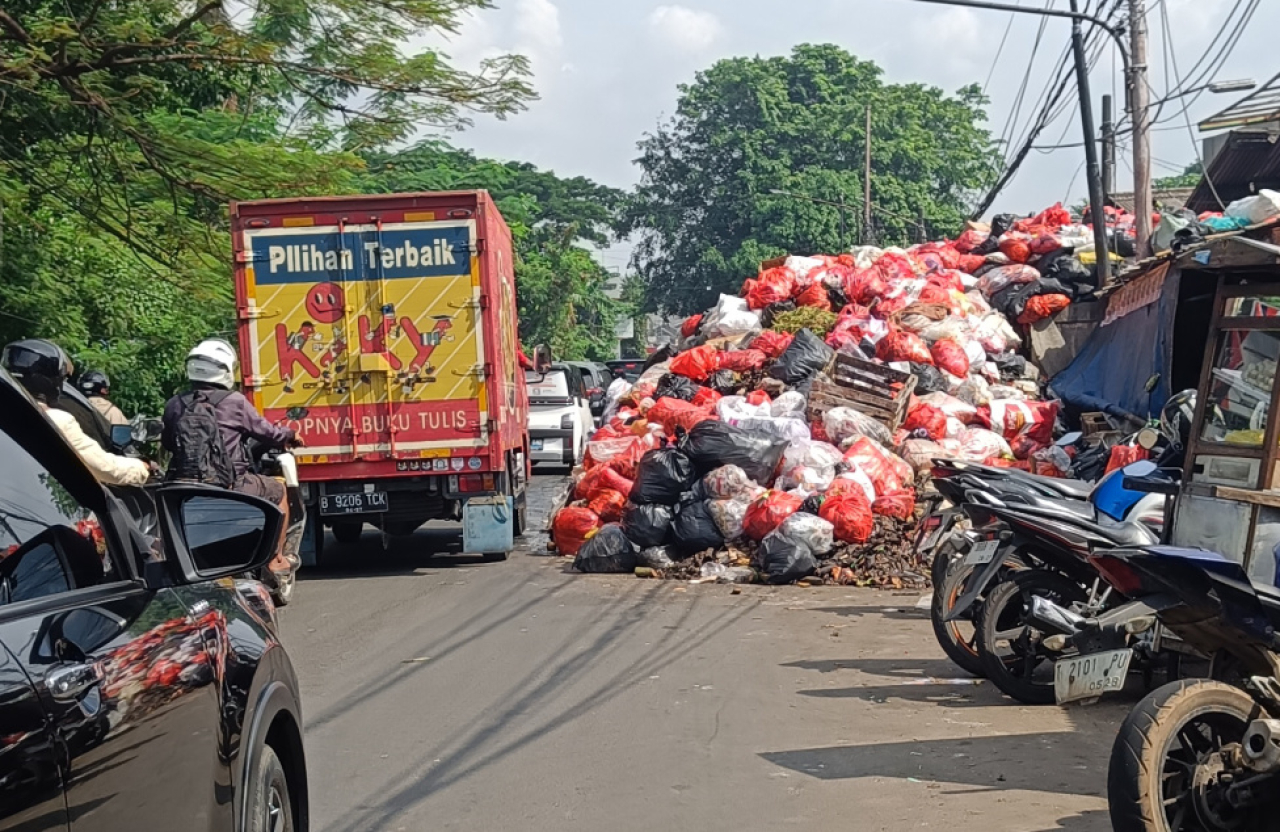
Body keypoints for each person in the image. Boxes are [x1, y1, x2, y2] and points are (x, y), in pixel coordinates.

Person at [162, 338, 301, 574]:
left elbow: (167, 443)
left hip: (182, 487)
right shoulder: (234, 402)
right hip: (230, 485)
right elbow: (268, 433)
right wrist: (290, 435)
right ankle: (275, 559)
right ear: (225, 370)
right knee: (279, 492)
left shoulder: (174, 404)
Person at [1, 339, 150, 487]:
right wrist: (141, 468)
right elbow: (103, 467)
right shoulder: (57, 420)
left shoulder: (8, 414)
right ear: (52, 381)